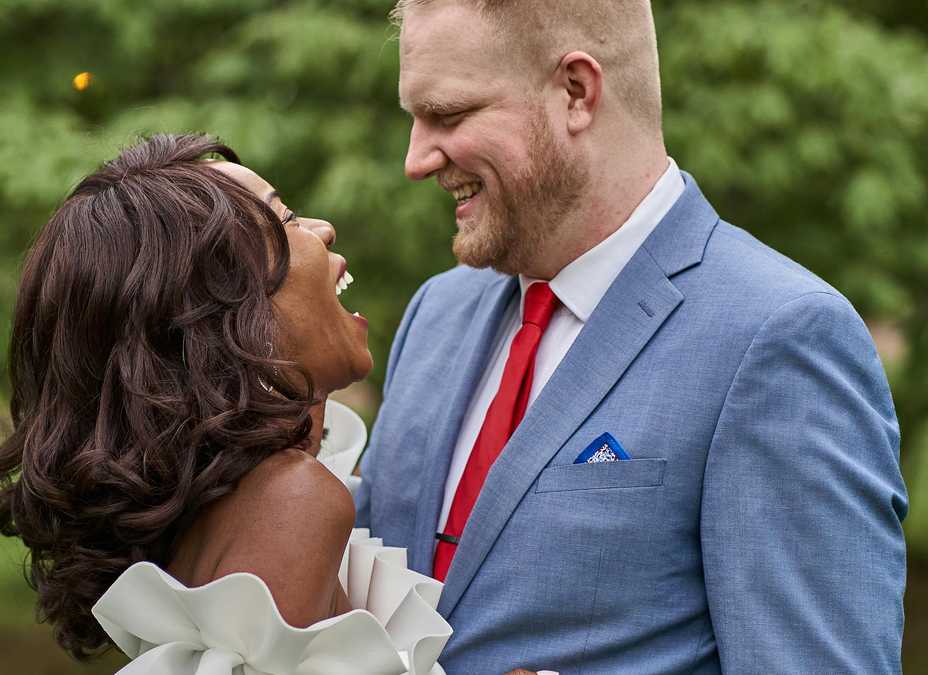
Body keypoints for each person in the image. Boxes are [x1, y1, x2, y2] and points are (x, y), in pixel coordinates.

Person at [355, 1, 908, 673]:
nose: (415, 159)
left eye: (449, 115)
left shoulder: (782, 337)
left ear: (576, 92)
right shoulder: (433, 314)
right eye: (414, 118)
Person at [0, 134, 450, 674]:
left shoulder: (207, 506)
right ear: (225, 312)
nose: (323, 229)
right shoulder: (292, 500)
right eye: (287, 218)